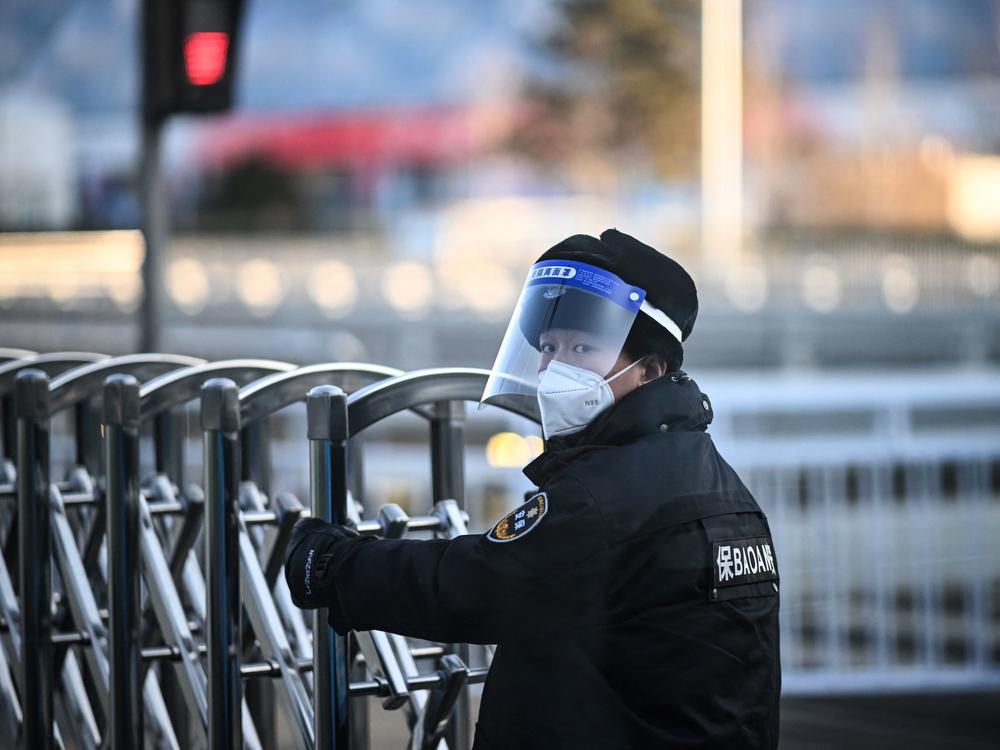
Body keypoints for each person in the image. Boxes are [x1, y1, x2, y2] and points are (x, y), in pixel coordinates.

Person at [285, 229, 781, 749]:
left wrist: (334, 564)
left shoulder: (607, 497)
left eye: (583, 347)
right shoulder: (720, 487)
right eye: (548, 347)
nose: (555, 367)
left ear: (651, 370)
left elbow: (474, 586)